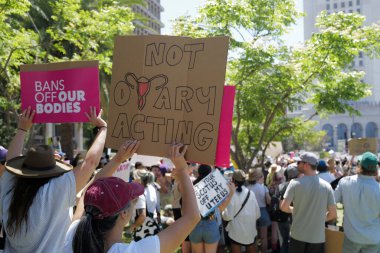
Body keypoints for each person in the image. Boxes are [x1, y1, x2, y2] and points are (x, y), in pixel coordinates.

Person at [0, 106, 108, 252]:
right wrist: (102, 128)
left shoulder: (10, 188)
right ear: (52, 169)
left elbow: (10, 160)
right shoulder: (56, 191)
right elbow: (90, 163)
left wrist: (22, 129)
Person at [65, 144, 200, 253]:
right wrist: (182, 169)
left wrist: (118, 158)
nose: (134, 201)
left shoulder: (72, 235)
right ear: (124, 213)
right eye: (132, 199)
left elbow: (85, 195)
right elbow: (192, 217)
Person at [280, 152, 337, 253]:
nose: (297, 164)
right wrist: (317, 218)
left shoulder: (294, 183)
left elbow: (284, 207)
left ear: (306, 165)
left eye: (299, 162)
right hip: (317, 238)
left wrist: (297, 211)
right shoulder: (327, 186)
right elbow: (333, 214)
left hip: (297, 235)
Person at [334, 152, 380, 253]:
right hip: (373, 237)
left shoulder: (345, 182)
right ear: (376, 169)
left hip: (351, 236)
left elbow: (333, 202)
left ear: (360, 166)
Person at [189, 165, 234, 253]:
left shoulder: (191, 187)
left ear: (198, 173)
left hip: (194, 225)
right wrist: (231, 193)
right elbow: (221, 208)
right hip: (210, 223)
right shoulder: (214, 187)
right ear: (210, 174)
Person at [222, 170, 260, 253]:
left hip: (235, 231)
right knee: (251, 246)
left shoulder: (231, 195)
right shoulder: (251, 193)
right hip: (250, 229)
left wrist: (222, 211)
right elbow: (257, 214)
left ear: (232, 180)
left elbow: (227, 217)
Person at [247, 169, 271, 253]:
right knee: (264, 237)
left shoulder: (247, 188)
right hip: (263, 212)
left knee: (254, 237)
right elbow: (269, 201)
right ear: (258, 177)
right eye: (262, 176)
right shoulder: (263, 187)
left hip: (251, 213)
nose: (263, 177)